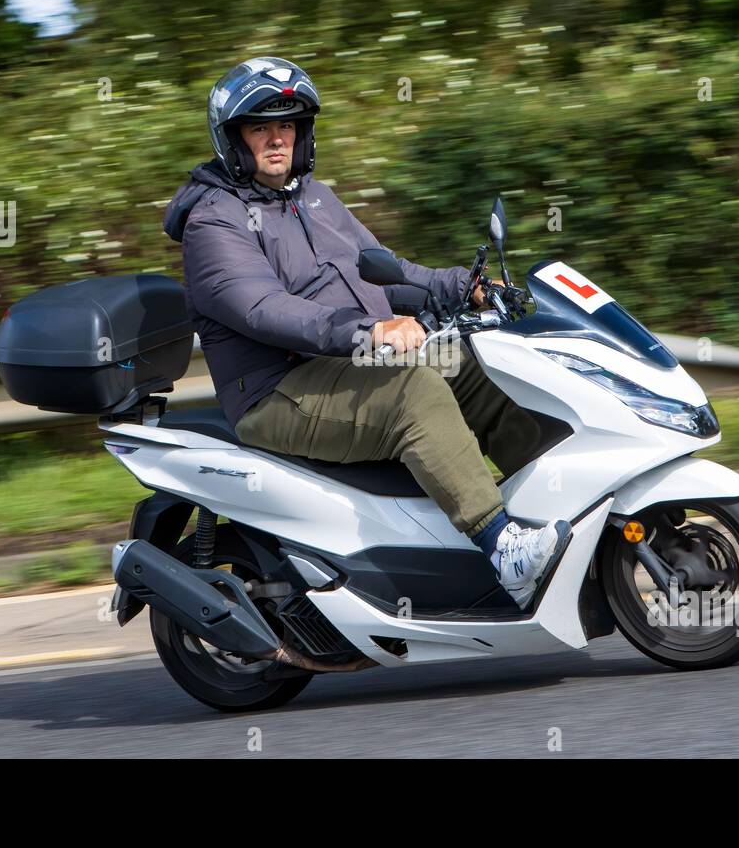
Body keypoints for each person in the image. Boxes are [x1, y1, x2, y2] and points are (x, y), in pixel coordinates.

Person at [163, 57, 570, 608]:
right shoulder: (214, 222)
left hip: (347, 364)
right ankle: (504, 550)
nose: (277, 139)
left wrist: (464, 286)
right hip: (280, 391)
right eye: (260, 127)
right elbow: (265, 309)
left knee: (476, 366)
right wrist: (371, 330)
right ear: (233, 139)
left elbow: (387, 273)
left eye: (288, 125)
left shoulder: (315, 199)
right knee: (416, 389)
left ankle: (559, 509)